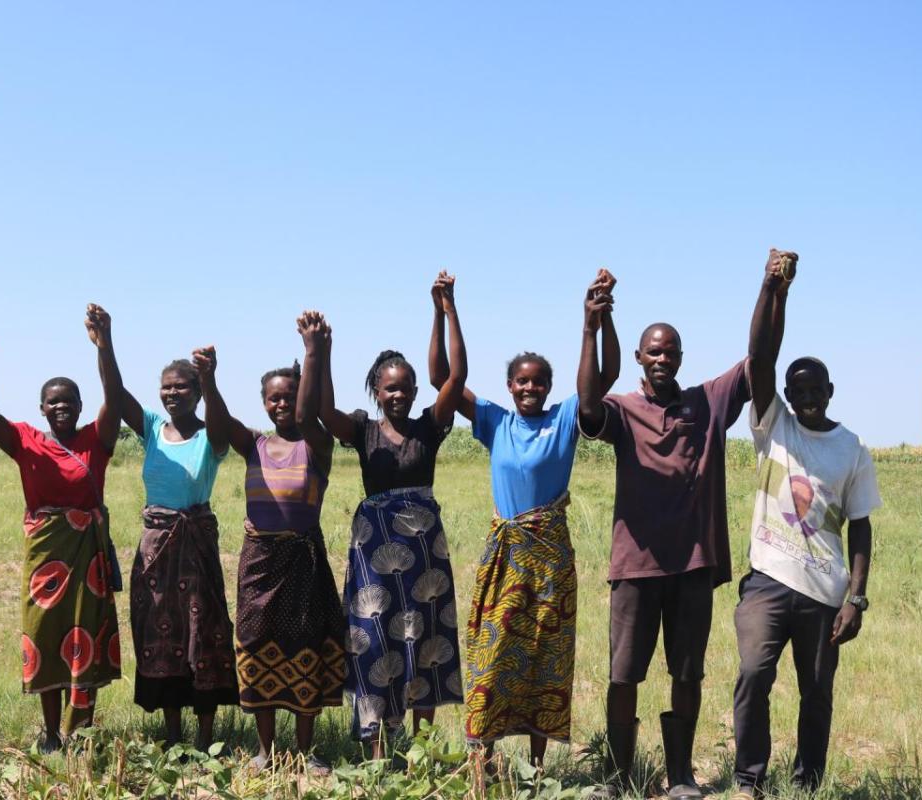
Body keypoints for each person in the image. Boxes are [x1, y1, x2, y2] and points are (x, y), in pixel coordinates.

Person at [578, 254, 788, 800]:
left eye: (671, 350)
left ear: (680, 357)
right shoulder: (622, 410)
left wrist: (772, 288)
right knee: (624, 675)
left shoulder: (709, 401)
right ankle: (618, 776)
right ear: (639, 359)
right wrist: (590, 326)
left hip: (693, 567)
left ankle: (680, 775)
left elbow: (760, 358)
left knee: (687, 674)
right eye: (653, 351)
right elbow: (585, 404)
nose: (662, 358)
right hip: (635, 567)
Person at [439, 269, 619, 768]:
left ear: (550, 386)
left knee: (544, 654)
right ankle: (482, 759)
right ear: (509, 385)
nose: (529, 388)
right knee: (491, 656)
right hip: (504, 558)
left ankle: (537, 769)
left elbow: (602, 381)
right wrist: (448, 309)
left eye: (538, 381)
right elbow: (443, 381)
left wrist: (595, 324)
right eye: (521, 381)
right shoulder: (495, 421)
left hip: (549, 560)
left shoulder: (565, 418)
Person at [730, 252, 880, 798]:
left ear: (830, 392)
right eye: (799, 391)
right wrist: (775, 289)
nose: (808, 398)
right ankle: (749, 780)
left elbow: (860, 528)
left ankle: (807, 783)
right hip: (767, 583)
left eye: (817, 390)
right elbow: (758, 356)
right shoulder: (774, 427)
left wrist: (855, 599)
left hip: (825, 592)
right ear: (786, 397)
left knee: (816, 690)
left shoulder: (852, 449)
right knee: (753, 675)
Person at [317, 272, 469, 760]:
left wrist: (445, 310)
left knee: (425, 637)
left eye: (405, 387)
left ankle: (421, 749)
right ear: (376, 392)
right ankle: (377, 748)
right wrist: (322, 351)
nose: (398, 394)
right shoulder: (363, 432)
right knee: (374, 635)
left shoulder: (430, 428)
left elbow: (456, 379)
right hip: (373, 554)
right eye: (389, 388)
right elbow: (323, 411)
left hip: (426, 556)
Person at [0, 305, 123, 752]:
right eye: (53, 402)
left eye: (69, 401)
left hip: (87, 559)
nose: (61, 408)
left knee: (84, 640)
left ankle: (82, 734)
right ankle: (51, 734)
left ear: (80, 407)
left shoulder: (97, 439)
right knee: (46, 637)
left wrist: (104, 344)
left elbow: (116, 392)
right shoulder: (26, 440)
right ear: (41, 408)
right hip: (45, 559)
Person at [194, 312, 345, 775]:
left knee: (306, 650)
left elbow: (307, 414)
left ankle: (303, 750)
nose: (281, 404)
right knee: (257, 648)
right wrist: (207, 380)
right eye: (273, 397)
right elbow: (220, 427)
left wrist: (313, 351)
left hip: (303, 561)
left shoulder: (317, 445)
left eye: (288, 395)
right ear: (264, 403)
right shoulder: (254, 444)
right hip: (259, 561)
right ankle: (265, 750)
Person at [122, 354, 238, 749]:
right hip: (156, 549)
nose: (172, 393)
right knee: (159, 630)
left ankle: (206, 738)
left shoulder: (212, 435)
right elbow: (115, 394)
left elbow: (221, 428)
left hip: (196, 548)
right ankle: (173, 735)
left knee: (203, 633)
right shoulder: (152, 428)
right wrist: (104, 344)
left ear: (198, 392)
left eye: (182, 386)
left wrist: (211, 379)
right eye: (166, 386)